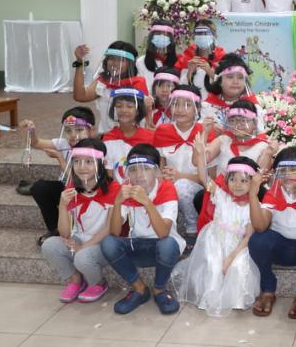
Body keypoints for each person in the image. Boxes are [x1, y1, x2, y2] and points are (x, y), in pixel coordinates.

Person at [172, 145, 259, 316]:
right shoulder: (220, 195)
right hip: (214, 240)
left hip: (238, 245)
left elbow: (249, 236)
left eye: (244, 180)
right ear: (226, 180)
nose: (238, 185)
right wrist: (200, 156)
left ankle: (234, 299)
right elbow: (204, 178)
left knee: (237, 266)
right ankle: (209, 297)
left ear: (253, 182)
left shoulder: (254, 206)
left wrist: (231, 257)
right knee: (213, 263)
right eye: (232, 179)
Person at [100, 144, 185, 315]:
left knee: (167, 244)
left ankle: (159, 289)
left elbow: (163, 233)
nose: (139, 175)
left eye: (145, 169)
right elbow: (115, 232)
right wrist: (117, 203)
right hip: (137, 246)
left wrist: (147, 202)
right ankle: (139, 288)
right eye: (132, 170)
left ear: (156, 171)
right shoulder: (127, 190)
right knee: (108, 243)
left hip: (164, 250)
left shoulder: (167, 189)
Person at [248, 148, 296, 319]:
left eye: (293, 170)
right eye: (282, 171)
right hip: (281, 248)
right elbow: (260, 227)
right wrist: (253, 194)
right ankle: (267, 288)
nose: (288, 176)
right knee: (257, 240)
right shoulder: (274, 191)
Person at [41, 139, 119, 303]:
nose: (82, 166)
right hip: (79, 238)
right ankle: (75, 280)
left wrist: (84, 246)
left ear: (101, 163)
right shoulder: (71, 189)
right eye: (77, 161)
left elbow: (110, 227)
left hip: (104, 242)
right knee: (49, 245)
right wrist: (62, 206)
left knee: (82, 257)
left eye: (89, 162)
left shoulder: (113, 188)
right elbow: (65, 233)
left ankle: (98, 283)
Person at [153, 85, 218, 242]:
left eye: (187, 105)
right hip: (170, 184)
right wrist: (162, 176)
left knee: (182, 186)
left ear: (197, 108)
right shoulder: (163, 130)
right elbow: (159, 166)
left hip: (198, 187)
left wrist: (180, 176)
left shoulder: (206, 132)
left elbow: (211, 179)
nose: (180, 109)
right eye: (176, 104)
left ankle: (192, 227)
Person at [24, 107, 97, 245]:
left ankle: (74, 228)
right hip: (67, 189)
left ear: (91, 130)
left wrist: (60, 158)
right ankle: (55, 229)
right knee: (39, 188)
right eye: (68, 131)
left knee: (70, 193)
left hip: (86, 192)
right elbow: (35, 143)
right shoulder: (63, 143)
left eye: (79, 130)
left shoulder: (94, 147)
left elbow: (79, 180)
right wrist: (32, 131)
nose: (73, 135)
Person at [72, 41, 149, 133]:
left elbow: (144, 117)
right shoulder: (103, 82)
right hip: (107, 137)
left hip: (133, 139)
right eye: (112, 58)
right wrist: (80, 63)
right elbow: (80, 96)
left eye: (121, 60)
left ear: (130, 64)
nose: (115, 63)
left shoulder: (138, 83)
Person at [101, 88, 155, 181]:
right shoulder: (108, 139)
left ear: (138, 111)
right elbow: (107, 175)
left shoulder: (150, 137)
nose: (123, 110)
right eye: (119, 106)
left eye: (129, 106)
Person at [175, 19, 226, 95]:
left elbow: (229, 87)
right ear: (194, 36)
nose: (202, 36)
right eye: (199, 33)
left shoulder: (222, 57)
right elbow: (178, 88)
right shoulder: (187, 57)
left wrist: (211, 73)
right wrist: (189, 74)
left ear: (214, 35)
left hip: (215, 104)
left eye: (205, 33)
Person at [201, 54, 257, 124]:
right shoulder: (207, 107)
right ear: (220, 81)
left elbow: (260, 133)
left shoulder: (253, 107)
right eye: (230, 77)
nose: (235, 82)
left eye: (240, 77)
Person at [136, 21, 178, 91]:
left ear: (171, 38)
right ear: (151, 37)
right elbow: (140, 87)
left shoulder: (179, 62)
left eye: (165, 34)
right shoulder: (141, 62)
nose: (162, 37)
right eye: (158, 33)